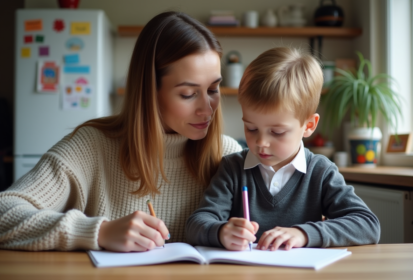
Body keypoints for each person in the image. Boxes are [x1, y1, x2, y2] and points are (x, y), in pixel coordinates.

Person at [0, 12, 242, 252]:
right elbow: (4, 212)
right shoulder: (91, 146)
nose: (207, 109)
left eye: (213, 89)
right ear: (149, 91)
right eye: (188, 94)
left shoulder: (228, 155)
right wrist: (99, 232)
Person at [186, 47, 380, 251]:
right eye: (251, 128)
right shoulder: (232, 168)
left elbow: (367, 224)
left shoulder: (321, 172)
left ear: (309, 126)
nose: (261, 142)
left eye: (277, 132)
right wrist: (221, 232)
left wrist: (304, 234)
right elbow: (196, 224)